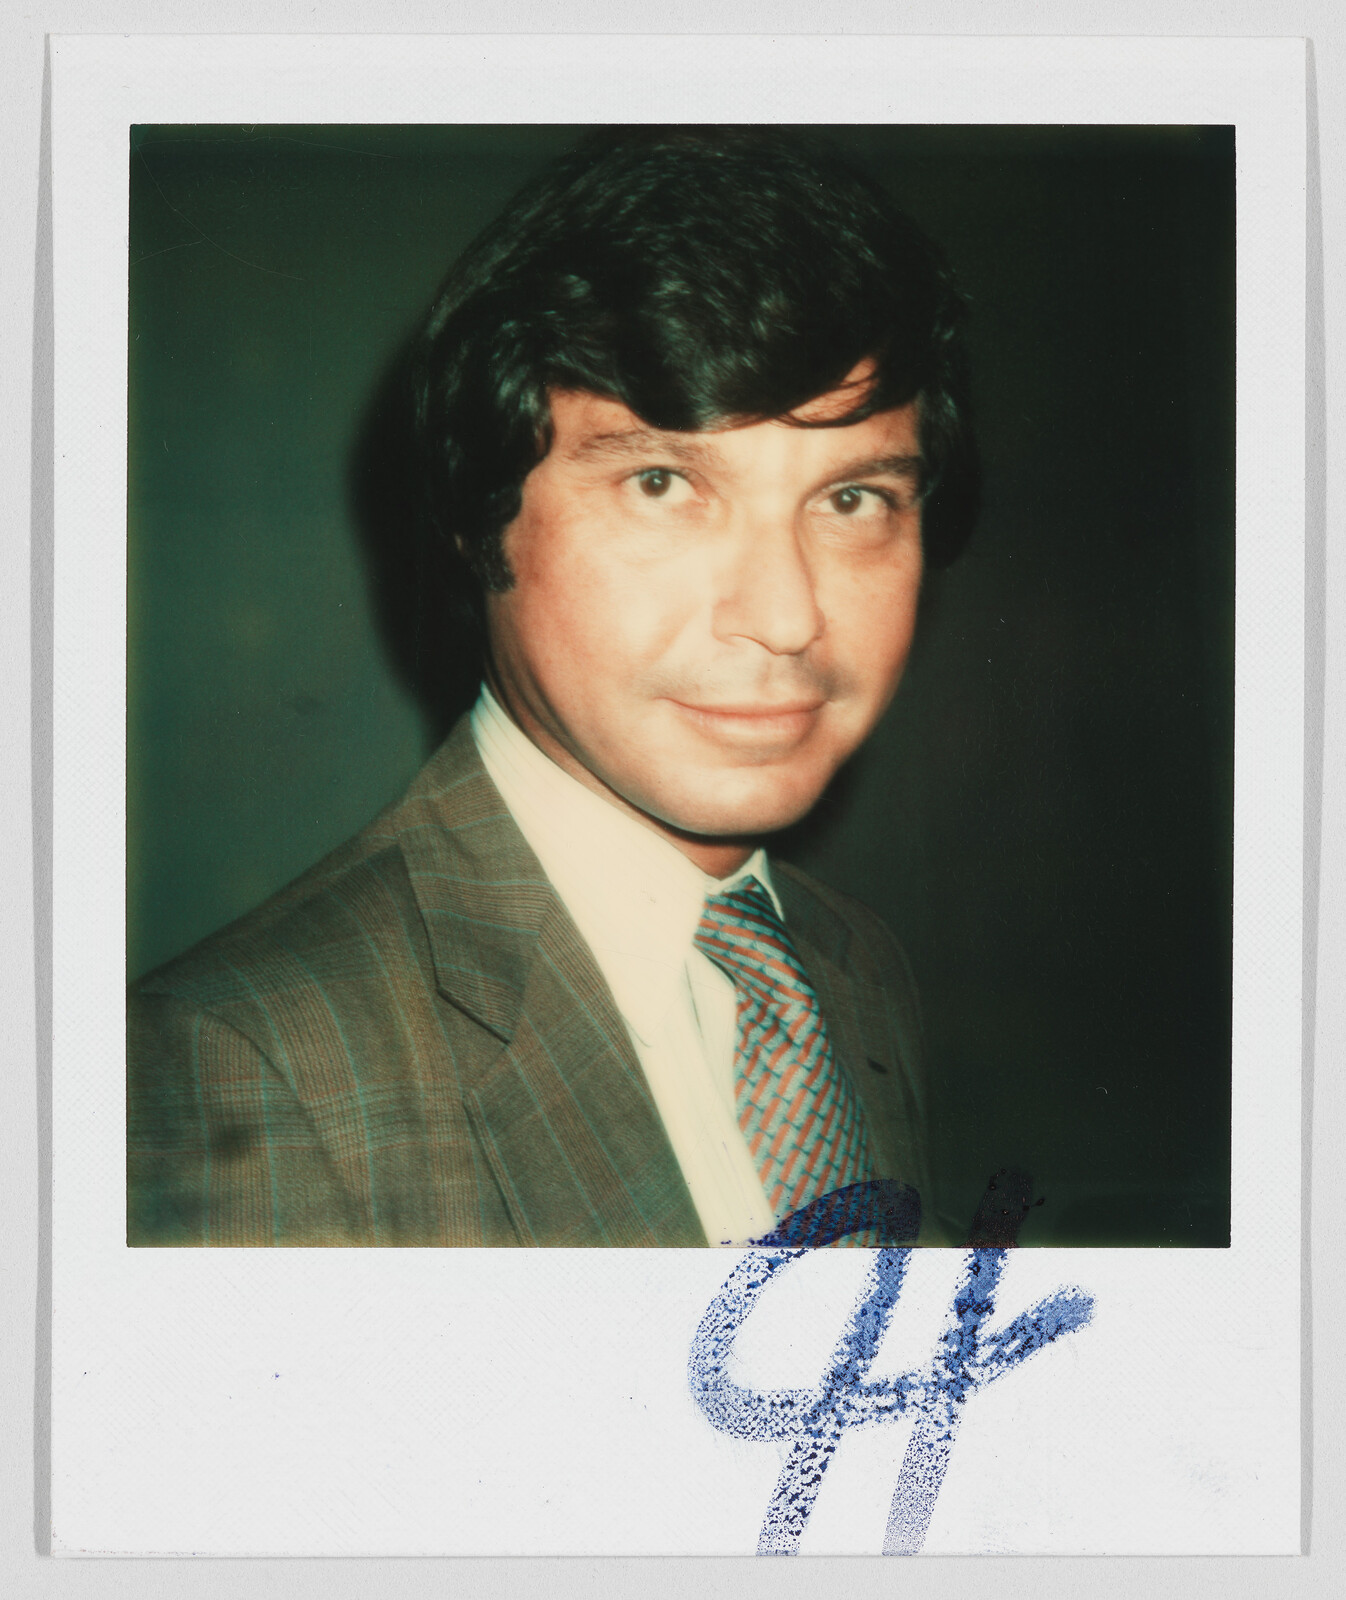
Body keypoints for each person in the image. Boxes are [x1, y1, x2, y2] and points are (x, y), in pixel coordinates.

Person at [127, 127, 979, 1248]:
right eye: (663, 482)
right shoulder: (240, 1066)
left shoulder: (852, 967)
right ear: (480, 522)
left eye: (853, 499)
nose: (784, 616)